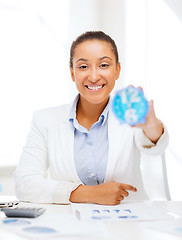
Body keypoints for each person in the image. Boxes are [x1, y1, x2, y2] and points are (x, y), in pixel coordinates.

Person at [14, 31, 168, 205]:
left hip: (128, 227)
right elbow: (25, 183)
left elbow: (153, 146)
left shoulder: (130, 116)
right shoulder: (45, 120)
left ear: (117, 70)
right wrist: (90, 194)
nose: (94, 77)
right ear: (72, 73)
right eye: (83, 67)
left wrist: (151, 125)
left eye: (103, 65)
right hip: (70, 226)